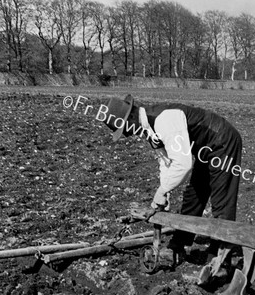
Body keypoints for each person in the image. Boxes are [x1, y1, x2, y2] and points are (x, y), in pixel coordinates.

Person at [101, 94, 243, 267]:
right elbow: (165, 160)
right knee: (194, 194)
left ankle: (222, 255)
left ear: (130, 116)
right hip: (204, 147)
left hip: (222, 141)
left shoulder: (164, 120)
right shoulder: (148, 128)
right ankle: (180, 243)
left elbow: (183, 164)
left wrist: (161, 191)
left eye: (125, 129)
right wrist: (164, 190)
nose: (127, 135)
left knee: (222, 199)